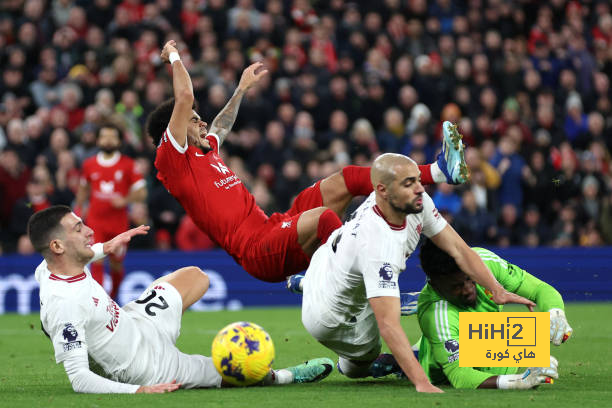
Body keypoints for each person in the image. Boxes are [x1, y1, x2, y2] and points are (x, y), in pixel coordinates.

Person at [146, 40, 469, 284]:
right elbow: (185, 98)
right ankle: (340, 282)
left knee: (344, 179)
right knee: (324, 217)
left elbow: (220, 125)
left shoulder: (206, 151)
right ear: (171, 132)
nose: (202, 124)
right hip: (257, 250)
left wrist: (241, 89)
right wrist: (173, 56)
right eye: (193, 120)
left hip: (272, 225)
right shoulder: (172, 159)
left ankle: (439, 171)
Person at [30, 205, 334, 394]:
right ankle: (282, 377)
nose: (90, 230)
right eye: (79, 228)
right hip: (148, 366)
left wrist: (105, 247)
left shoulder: (46, 268)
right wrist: (139, 391)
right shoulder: (64, 304)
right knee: (227, 373)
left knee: (196, 277)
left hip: (136, 321)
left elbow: (61, 262)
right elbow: (79, 380)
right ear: (57, 245)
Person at [298, 153, 534, 393]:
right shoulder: (378, 246)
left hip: (326, 260)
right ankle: (352, 349)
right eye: (408, 183)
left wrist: (498, 290)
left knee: (366, 285)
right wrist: (422, 382)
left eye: (418, 180)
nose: (419, 189)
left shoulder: (413, 203)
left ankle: (307, 284)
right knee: (358, 367)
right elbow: (389, 325)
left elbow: (459, 250)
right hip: (334, 317)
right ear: (382, 190)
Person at [413, 239, 572, 389]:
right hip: (446, 369)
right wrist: (518, 381)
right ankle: (409, 359)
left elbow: (539, 289)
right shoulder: (436, 312)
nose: (468, 289)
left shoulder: (483, 262)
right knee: (527, 338)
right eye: (457, 286)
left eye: (470, 278)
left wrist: (555, 313)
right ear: (435, 285)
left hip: (486, 338)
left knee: (535, 332)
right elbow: (459, 374)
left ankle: (415, 351)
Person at [76, 123, 147, 299]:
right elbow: (83, 189)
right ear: (98, 140)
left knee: (116, 264)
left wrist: (125, 200)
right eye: (104, 136)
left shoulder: (128, 165)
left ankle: (113, 295)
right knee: (96, 260)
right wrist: (78, 211)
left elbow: (142, 192)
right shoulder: (89, 164)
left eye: (112, 137)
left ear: (118, 141)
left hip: (118, 224)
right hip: (96, 222)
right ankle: (101, 302)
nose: (108, 140)